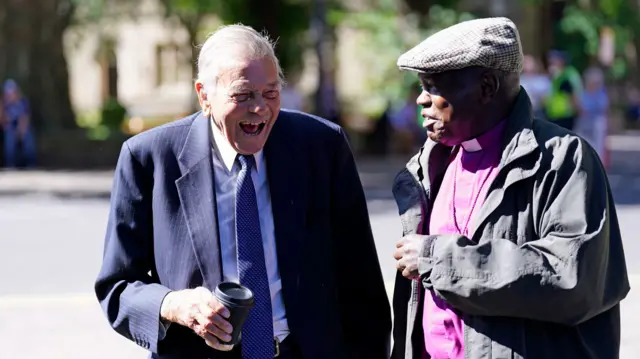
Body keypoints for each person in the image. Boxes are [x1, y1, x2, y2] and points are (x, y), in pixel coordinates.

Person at [95, 25, 391, 359]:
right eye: (243, 95)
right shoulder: (149, 158)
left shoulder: (322, 147)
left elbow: (361, 280)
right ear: (204, 95)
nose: (259, 108)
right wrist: (173, 304)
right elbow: (117, 287)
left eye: (270, 93)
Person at [391, 17, 629, 359]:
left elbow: (570, 278)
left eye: (433, 86)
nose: (420, 100)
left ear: (486, 87)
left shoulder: (563, 159)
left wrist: (437, 258)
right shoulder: (427, 167)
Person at [544, 50, 583, 130]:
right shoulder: (556, 75)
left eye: (553, 60)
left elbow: (574, 93)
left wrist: (578, 109)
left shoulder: (568, 75)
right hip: (554, 115)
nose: (551, 63)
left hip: (566, 115)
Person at [576, 67, 609, 161]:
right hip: (584, 123)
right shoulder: (583, 93)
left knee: (598, 147)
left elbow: (603, 108)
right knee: (583, 146)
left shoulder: (601, 94)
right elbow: (579, 107)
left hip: (597, 123)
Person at [2, 79, 36, 168]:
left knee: (28, 137)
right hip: (9, 127)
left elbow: (25, 118)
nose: (10, 95)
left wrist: (21, 130)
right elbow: (3, 122)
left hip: (22, 126)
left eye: (12, 92)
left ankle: (31, 164)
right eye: (8, 93)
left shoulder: (23, 102)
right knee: (9, 139)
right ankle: (10, 164)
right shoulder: (3, 104)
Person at [519, 55, 551, 120]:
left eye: (528, 62)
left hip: (538, 111)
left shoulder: (542, 80)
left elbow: (546, 98)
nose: (526, 65)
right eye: (525, 62)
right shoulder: (519, 80)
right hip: (522, 112)